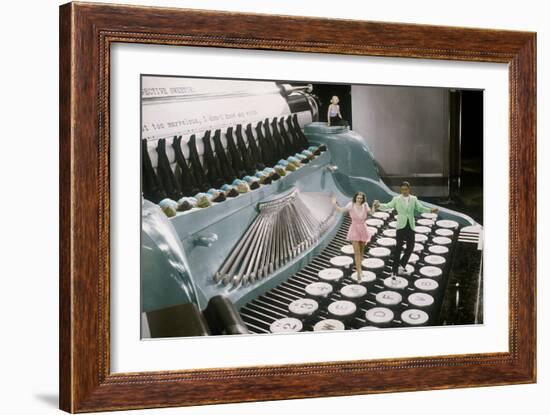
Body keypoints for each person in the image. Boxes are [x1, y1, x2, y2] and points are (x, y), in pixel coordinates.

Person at [373, 182, 439, 279]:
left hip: (410, 226)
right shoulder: (396, 199)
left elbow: (420, 208)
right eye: (402, 189)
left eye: (406, 189)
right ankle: (394, 271)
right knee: (398, 249)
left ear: (409, 189)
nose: (404, 191)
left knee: (410, 247)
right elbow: (388, 205)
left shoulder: (413, 199)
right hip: (401, 226)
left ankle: (402, 264)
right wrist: (379, 205)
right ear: (401, 190)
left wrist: (430, 210)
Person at [331, 192, 373, 279]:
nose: (359, 200)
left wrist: (375, 206)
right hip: (354, 229)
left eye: (361, 198)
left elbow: (371, 213)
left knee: (361, 251)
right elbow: (341, 210)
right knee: (357, 252)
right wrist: (334, 203)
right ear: (355, 198)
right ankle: (359, 272)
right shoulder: (351, 205)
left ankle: (360, 266)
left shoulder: (365, 205)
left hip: (363, 229)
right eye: (358, 198)